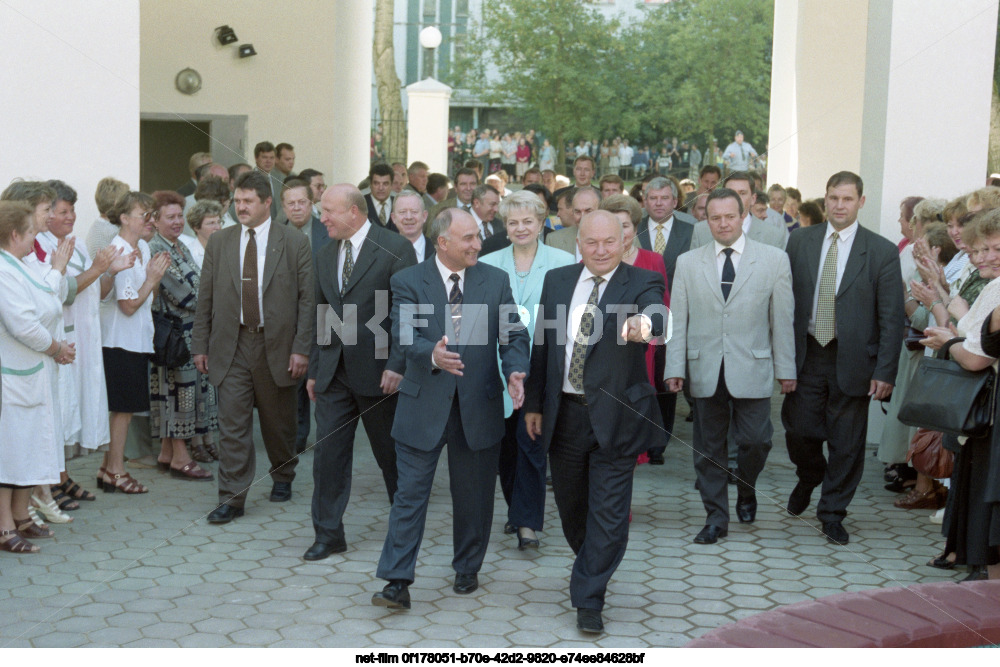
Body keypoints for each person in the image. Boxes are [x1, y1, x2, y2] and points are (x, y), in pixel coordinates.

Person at [371, 208, 529, 610]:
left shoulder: (495, 279)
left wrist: (515, 370)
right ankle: (396, 581)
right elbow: (404, 334)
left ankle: (467, 566)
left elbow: (513, 334)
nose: (478, 244)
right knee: (409, 496)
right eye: (469, 238)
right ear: (442, 243)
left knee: (474, 496)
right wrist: (433, 355)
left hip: (479, 405)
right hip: (423, 405)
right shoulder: (408, 280)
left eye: (477, 236)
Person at [524, 210, 666, 635]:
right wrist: (534, 404)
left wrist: (643, 324)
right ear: (578, 244)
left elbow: (657, 315)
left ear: (624, 242)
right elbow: (543, 345)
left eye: (609, 242)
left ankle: (588, 597)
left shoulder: (642, 281)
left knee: (609, 513)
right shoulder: (557, 281)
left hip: (618, 415)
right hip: (565, 414)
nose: (601, 250)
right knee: (573, 510)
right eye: (592, 242)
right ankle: (592, 565)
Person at [666, 188, 796, 543]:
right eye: (715, 218)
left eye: (729, 216)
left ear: (743, 216)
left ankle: (746, 485)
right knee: (708, 448)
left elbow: (782, 320)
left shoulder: (773, 260)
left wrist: (787, 370)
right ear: (705, 220)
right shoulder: (688, 263)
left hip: (753, 366)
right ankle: (716, 518)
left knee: (756, 441)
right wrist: (674, 368)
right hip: (704, 368)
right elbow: (678, 319)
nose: (723, 224)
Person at [782, 171, 904, 545]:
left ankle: (832, 513)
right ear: (825, 199)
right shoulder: (800, 241)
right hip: (808, 353)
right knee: (799, 429)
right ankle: (809, 474)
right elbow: (784, 301)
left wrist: (885, 371)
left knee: (846, 442)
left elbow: (891, 317)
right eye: (833, 197)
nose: (839, 205)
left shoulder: (881, 251)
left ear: (860, 202)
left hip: (854, 359)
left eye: (847, 199)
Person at [191, 171, 314, 523]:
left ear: (267, 203)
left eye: (248, 201)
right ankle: (231, 497)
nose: (240, 207)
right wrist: (200, 344)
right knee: (232, 425)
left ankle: (283, 472)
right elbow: (205, 297)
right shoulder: (220, 242)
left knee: (278, 423)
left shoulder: (293, 242)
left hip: (276, 344)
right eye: (237, 201)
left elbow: (308, 300)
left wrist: (301, 348)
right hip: (231, 344)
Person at [304, 184, 416, 561]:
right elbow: (322, 313)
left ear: (354, 211)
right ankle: (328, 533)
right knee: (328, 457)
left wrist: (398, 364)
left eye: (328, 211)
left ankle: (405, 529)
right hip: (334, 374)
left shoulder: (395, 247)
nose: (322, 218)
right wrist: (315, 370)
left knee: (392, 457)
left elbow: (406, 312)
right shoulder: (325, 254)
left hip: (381, 374)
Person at [480, 191, 574, 551]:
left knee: (532, 443)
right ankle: (516, 509)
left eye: (528, 221)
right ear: (505, 226)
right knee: (506, 449)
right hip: (498, 367)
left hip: (542, 366)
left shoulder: (563, 261)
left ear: (541, 222)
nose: (520, 228)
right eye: (513, 222)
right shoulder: (487, 262)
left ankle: (527, 523)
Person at [36, 180, 135, 515]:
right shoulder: (41, 246)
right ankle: (51, 481)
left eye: (73, 210)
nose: (71, 217)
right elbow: (64, 291)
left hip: (84, 338)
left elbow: (98, 291)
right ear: (46, 214)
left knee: (73, 408)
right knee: (61, 411)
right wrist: (97, 268)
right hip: (63, 338)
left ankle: (62, 476)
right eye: (63, 211)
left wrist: (110, 272)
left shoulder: (75, 244)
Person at [0, 201, 77, 553]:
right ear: (14, 234)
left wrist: (54, 346)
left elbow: (48, 298)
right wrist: (56, 347)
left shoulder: (19, 264)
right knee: (11, 450)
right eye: (31, 231)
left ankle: (20, 515)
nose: (36, 238)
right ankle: (4, 527)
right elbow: (24, 325)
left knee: (28, 447)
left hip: (33, 372)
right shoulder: (3, 271)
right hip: (14, 375)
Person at [99, 191, 172, 494]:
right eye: (145, 215)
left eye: (152, 215)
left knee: (125, 408)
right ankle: (116, 470)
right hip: (120, 340)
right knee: (122, 410)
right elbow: (128, 305)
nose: (150, 220)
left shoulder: (141, 246)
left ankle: (106, 468)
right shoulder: (118, 250)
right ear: (124, 218)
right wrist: (152, 279)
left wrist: (152, 279)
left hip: (138, 339)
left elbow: (146, 298)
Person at [147, 191, 218, 481]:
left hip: (189, 332)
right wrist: (216, 302)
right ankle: (180, 458)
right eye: (170, 217)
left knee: (180, 390)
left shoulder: (179, 245)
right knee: (177, 392)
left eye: (179, 216)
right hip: (174, 333)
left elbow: (201, 282)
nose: (177, 222)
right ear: (155, 220)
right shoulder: (156, 249)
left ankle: (167, 453)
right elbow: (185, 294)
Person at [600, 194, 672, 461]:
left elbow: (663, 309)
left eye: (625, 226)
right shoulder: (594, 260)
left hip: (643, 350)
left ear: (635, 227)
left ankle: (629, 469)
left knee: (634, 413)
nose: (620, 233)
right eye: (613, 226)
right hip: (603, 347)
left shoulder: (653, 261)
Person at [690, 172, 787, 250]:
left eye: (742, 193)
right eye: (730, 193)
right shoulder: (701, 231)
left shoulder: (773, 235)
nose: (736, 198)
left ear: (753, 199)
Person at [180, 201, 223, 270]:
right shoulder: (189, 255)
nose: (218, 227)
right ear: (196, 227)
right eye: (211, 223)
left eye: (219, 222)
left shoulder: (228, 247)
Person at [391, 192, 432, 262]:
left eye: (414, 212)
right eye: (402, 212)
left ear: (424, 216)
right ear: (393, 217)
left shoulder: (439, 250)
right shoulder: (384, 252)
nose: (409, 217)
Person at [365, 163, 397, 230]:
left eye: (385, 184)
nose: (381, 188)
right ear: (370, 184)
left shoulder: (399, 203)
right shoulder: (361, 204)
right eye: (376, 183)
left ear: (391, 185)